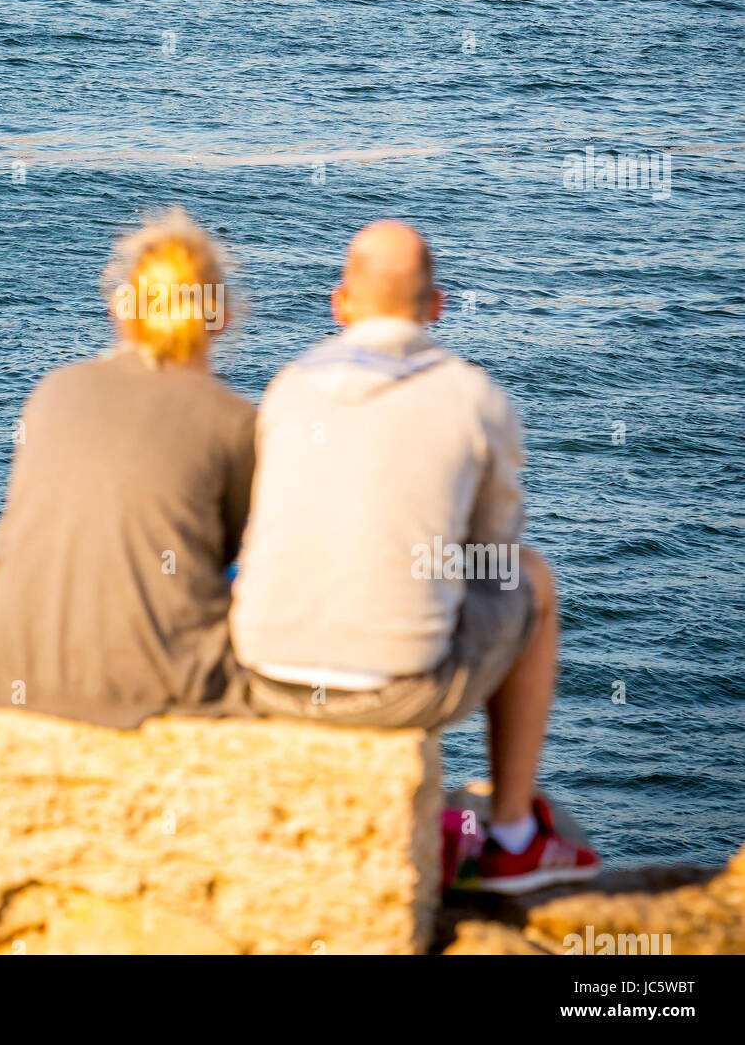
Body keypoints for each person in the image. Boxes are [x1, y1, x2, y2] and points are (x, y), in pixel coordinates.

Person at [229, 219, 600, 893]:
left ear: (340, 303)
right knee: (533, 579)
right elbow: (495, 555)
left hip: (265, 678)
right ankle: (513, 835)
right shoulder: (473, 398)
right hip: (396, 687)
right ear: (437, 306)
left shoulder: (287, 389)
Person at [0, 207, 255, 728]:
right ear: (222, 316)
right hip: (152, 691)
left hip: (4, 675)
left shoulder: (54, 393)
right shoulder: (232, 421)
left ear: (124, 310)